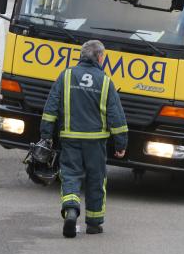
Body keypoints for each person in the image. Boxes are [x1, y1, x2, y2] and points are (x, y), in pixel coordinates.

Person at [40, 40, 128, 238]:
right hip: (96, 142)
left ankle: (71, 210)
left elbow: (51, 106)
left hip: (70, 138)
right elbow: (116, 115)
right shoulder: (105, 81)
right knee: (96, 180)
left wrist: (46, 135)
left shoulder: (66, 75)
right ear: (100, 57)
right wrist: (121, 142)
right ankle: (94, 224)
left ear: (82, 55)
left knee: (70, 175)